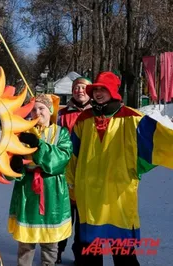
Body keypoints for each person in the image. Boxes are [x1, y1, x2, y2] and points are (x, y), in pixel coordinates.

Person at [67, 72, 173, 266]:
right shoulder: (84, 120)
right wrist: (71, 182)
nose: (98, 93)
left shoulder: (132, 118)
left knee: (124, 254)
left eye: (102, 89)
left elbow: (162, 142)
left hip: (119, 194)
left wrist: (136, 167)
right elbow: (73, 154)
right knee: (90, 253)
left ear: (113, 91)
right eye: (96, 89)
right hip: (89, 194)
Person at [9, 94, 73, 266]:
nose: (37, 112)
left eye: (42, 108)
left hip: (52, 192)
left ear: (50, 111)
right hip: (27, 192)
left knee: (50, 243)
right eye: (33, 109)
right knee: (25, 243)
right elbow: (8, 166)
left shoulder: (62, 133)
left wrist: (39, 145)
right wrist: (14, 167)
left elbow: (60, 160)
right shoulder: (20, 133)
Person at [56, 77, 92, 264]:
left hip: (88, 171)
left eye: (84, 87)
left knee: (84, 218)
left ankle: (82, 254)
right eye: (77, 87)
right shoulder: (62, 114)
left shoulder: (96, 113)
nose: (80, 90)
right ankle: (57, 251)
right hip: (65, 171)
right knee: (64, 214)